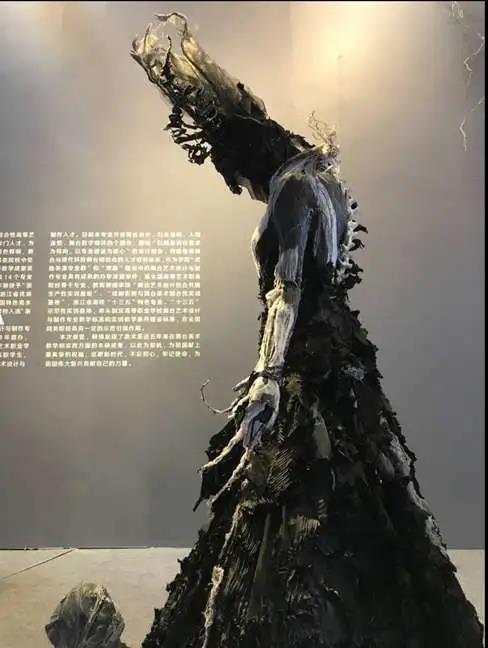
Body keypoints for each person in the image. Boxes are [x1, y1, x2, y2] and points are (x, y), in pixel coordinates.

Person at [130, 12, 484, 648]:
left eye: (231, 171)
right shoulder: (323, 178)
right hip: (343, 354)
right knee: (363, 479)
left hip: (303, 359)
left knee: (292, 489)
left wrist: (267, 377)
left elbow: (287, 289)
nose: (237, 186)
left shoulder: (291, 189)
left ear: (243, 152)